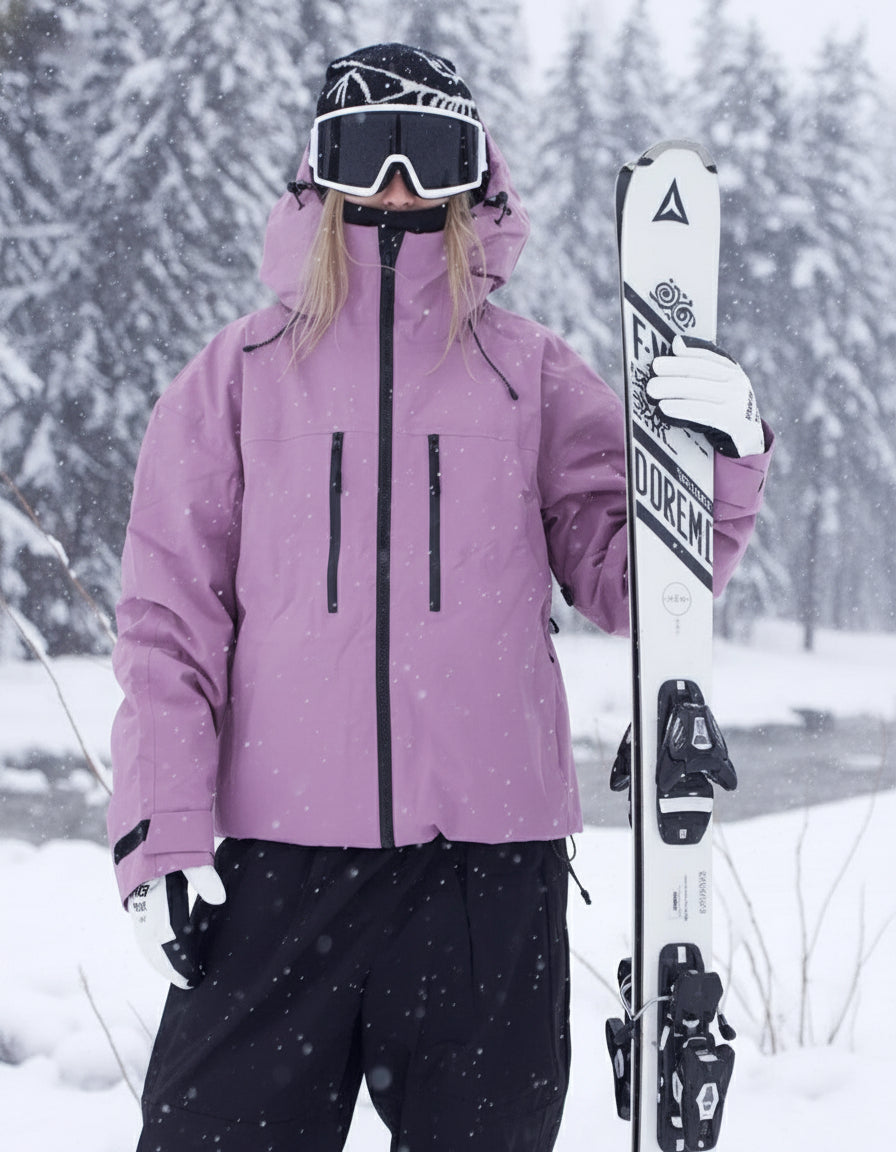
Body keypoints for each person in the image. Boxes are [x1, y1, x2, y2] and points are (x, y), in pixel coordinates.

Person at [107, 43, 772, 1152]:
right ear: (318, 175)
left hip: (485, 881)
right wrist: (159, 834)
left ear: (479, 175)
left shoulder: (528, 372)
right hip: (272, 874)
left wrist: (727, 458)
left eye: (435, 153)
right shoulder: (235, 376)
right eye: (367, 150)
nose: (401, 184)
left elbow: (634, 584)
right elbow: (168, 628)